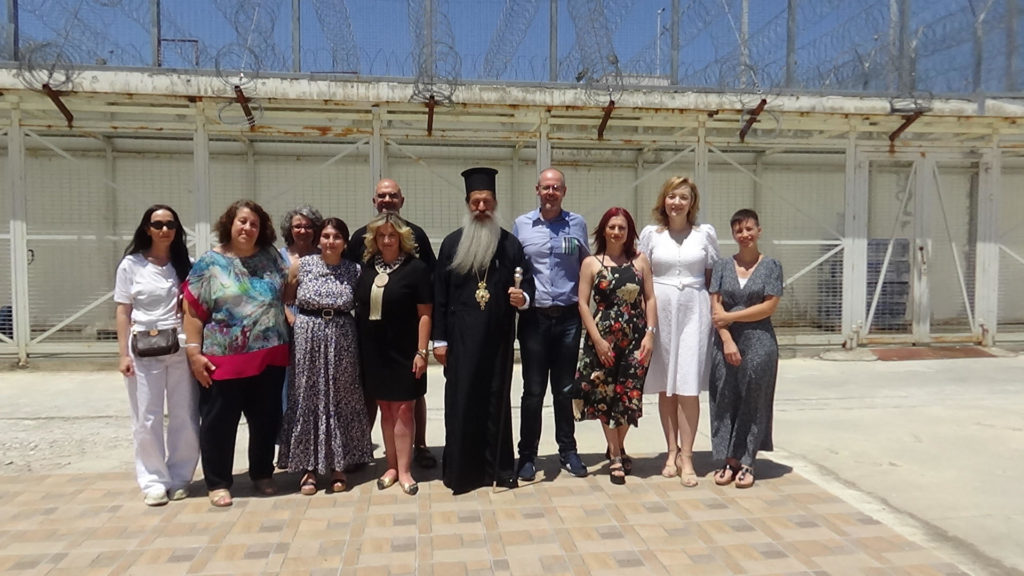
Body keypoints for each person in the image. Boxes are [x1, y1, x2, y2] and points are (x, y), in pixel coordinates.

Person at [433, 167, 534, 495]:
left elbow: (528, 284)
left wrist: (523, 298)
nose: (481, 208)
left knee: (495, 401)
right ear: (467, 203)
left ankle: (499, 469)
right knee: (462, 402)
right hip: (460, 340)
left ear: (495, 203)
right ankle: (462, 473)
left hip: (498, 339)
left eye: (486, 202)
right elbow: (439, 294)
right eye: (475, 202)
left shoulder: (509, 244)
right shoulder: (452, 244)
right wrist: (439, 340)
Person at [182, 200, 290, 507]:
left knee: (266, 419)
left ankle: (262, 473)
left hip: (269, 356)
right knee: (219, 422)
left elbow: (286, 289)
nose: (248, 228)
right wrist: (193, 353)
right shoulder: (210, 263)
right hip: (223, 359)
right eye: (242, 221)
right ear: (229, 224)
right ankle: (218, 482)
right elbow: (191, 310)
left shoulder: (270, 256)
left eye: (254, 223)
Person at [347, 178, 438, 470]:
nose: (387, 201)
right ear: (374, 201)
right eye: (382, 196)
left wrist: (426, 343)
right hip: (370, 337)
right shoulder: (360, 237)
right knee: (371, 395)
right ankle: (363, 449)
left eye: (392, 196)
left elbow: (431, 283)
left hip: (405, 337)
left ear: (402, 200)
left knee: (413, 396)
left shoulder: (416, 235)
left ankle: (419, 446)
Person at [278, 217, 372, 495]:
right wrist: (293, 320)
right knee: (308, 397)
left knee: (341, 399)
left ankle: (338, 465)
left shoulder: (354, 270)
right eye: (326, 236)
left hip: (342, 336)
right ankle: (307, 467)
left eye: (337, 237)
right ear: (319, 240)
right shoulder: (302, 265)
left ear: (345, 242)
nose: (331, 241)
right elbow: (285, 298)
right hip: (308, 335)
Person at [114, 204, 199, 506]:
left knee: (184, 413)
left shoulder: (186, 264)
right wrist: (123, 355)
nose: (164, 230)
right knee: (146, 416)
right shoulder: (131, 265)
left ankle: (180, 477)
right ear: (147, 228)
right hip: (143, 348)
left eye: (170, 224)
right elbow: (123, 311)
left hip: (179, 347)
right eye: (158, 224)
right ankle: (153, 481)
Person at [639, 177, 720, 488]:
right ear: (664, 200)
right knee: (666, 385)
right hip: (662, 311)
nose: (676, 202)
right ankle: (670, 451)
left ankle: (688, 456)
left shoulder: (704, 234)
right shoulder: (651, 235)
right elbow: (643, 276)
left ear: (692, 202)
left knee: (687, 385)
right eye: (672, 196)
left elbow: (712, 277)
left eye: (683, 197)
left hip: (694, 312)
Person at [512, 167, 589, 481]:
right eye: (546, 187)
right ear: (537, 190)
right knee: (532, 391)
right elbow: (515, 267)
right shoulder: (522, 225)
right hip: (534, 319)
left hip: (568, 318)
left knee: (565, 390)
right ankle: (527, 456)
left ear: (564, 191)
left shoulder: (577, 224)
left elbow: (586, 267)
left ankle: (568, 451)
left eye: (556, 187)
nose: (551, 192)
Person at [574, 208, 657, 485]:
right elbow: (582, 303)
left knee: (629, 395)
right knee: (604, 395)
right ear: (603, 230)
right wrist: (597, 340)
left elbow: (650, 298)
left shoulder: (640, 261)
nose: (617, 232)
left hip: (635, 338)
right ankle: (616, 455)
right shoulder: (591, 263)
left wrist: (650, 334)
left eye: (622, 227)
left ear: (629, 231)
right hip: (603, 339)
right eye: (612, 227)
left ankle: (617, 446)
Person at [355, 213, 433, 496]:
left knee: (404, 409)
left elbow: (425, 314)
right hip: (374, 351)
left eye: (392, 235)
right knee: (385, 409)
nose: (387, 240)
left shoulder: (416, 269)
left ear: (401, 238)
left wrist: (422, 351)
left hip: (405, 350)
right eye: (381, 236)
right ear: (374, 239)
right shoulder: (366, 268)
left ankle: (405, 470)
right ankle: (390, 466)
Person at [709, 209, 783, 489]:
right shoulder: (722, 266)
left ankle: (748, 459)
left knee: (754, 400)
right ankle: (730, 459)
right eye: (739, 230)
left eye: (749, 229)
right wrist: (727, 338)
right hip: (726, 340)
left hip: (759, 340)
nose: (745, 234)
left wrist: (732, 316)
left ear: (759, 231)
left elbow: (768, 306)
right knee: (725, 397)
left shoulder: (771, 266)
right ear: (733, 234)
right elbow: (716, 307)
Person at [278, 205, 323, 413]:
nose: (302, 231)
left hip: (316, 323)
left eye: (308, 226)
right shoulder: (278, 257)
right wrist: (289, 315)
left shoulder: (324, 256)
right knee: (288, 377)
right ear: (289, 230)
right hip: (285, 321)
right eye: (297, 226)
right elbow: (273, 292)